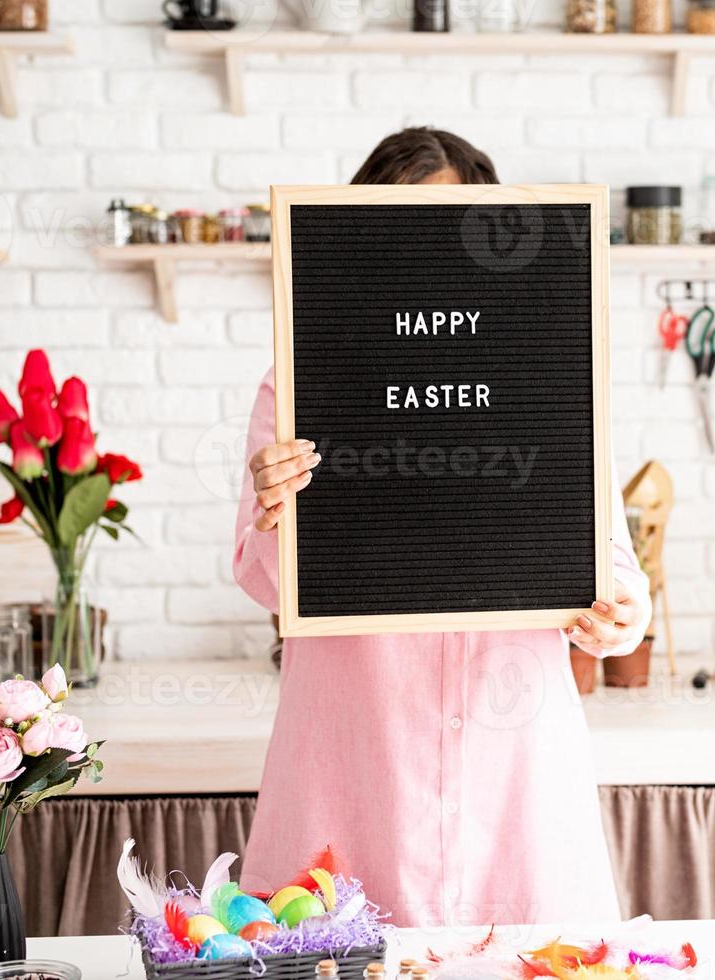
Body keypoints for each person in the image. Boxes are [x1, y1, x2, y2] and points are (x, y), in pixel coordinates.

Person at [234, 127, 651, 927]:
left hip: (515, 775)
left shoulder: (547, 374)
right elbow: (268, 583)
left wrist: (623, 616)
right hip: (355, 767)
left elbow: (609, 568)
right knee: (336, 961)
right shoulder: (296, 380)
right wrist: (274, 509)